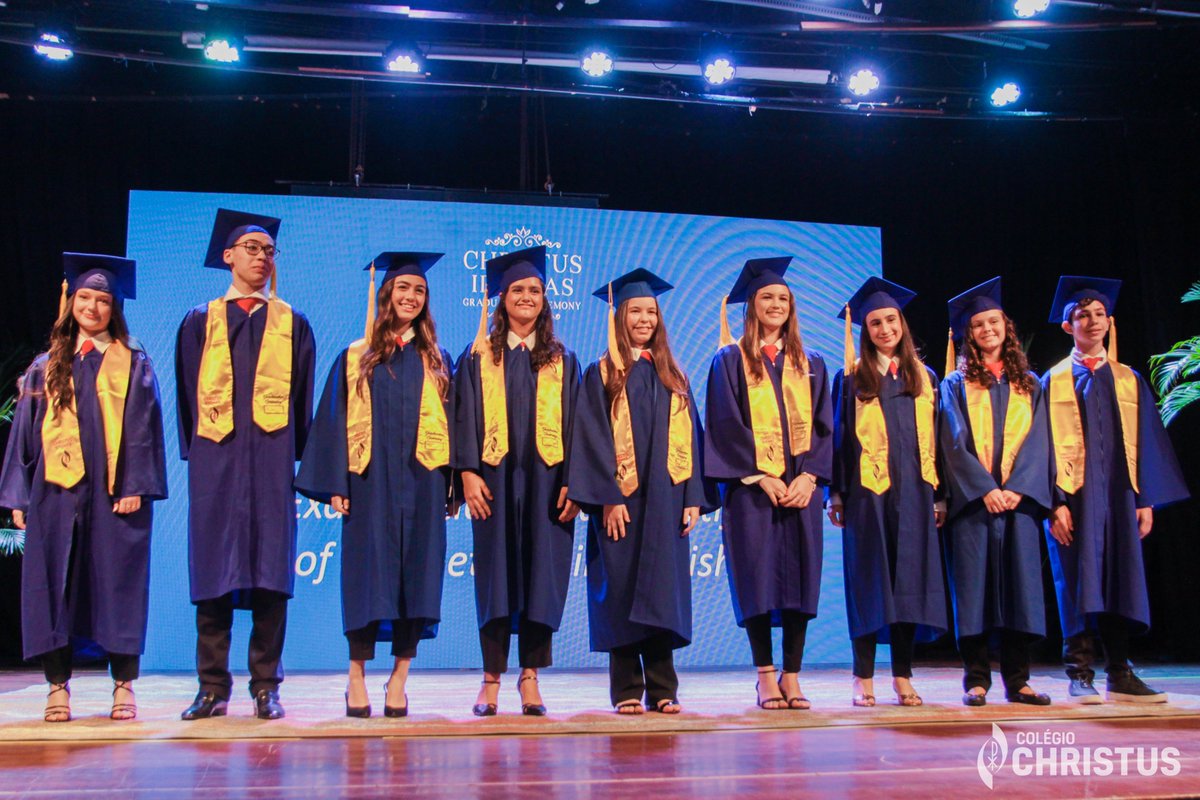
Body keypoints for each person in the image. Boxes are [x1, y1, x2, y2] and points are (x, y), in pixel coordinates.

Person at [0, 253, 166, 722]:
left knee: (119, 585)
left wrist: (135, 484)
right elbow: (24, 435)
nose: (92, 307)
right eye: (85, 297)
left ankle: (123, 686)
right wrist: (18, 496)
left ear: (115, 308)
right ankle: (57, 688)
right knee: (54, 586)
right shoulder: (45, 366)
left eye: (103, 300)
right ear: (71, 301)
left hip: (116, 495)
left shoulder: (133, 362)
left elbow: (144, 430)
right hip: (55, 493)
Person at [296, 252, 454, 718]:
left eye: (419, 291)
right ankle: (356, 676)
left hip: (424, 485)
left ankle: (400, 679)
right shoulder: (355, 356)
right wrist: (337, 482)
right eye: (403, 288)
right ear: (386, 294)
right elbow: (331, 421)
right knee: (367, 578)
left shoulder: (437, 360)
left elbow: (455, 424)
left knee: (418, 580)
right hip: (370, 485)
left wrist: (452, 488)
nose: (411, 297)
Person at [175, 209, 316, 720]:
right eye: (251, 249)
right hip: (217, 463)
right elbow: (188, 398)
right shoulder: (199, 320)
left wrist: (287, 457)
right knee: (213, 571)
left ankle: (265, 686)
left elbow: (301, 403)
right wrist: (205, 456)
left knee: (270, 574)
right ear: (227, 256)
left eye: (268, 251)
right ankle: (211, 687)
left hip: (271, 464)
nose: (261, 257)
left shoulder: (292, 322)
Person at [568, 269, 714, 714]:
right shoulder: (602, 374)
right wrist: (607, 498)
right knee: (622, 589)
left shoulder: (675, 375)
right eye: (636, 311)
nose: (645, 319)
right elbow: (589, 439)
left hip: (667, 502)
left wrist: (692, 497)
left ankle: (664, 687)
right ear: (620, 318)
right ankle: (627, 688)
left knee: (661, 590)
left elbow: (692, 440)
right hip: (622, 504)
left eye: (651, 312)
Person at [1042, 276, 1188, 703]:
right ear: (1067, 326)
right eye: (1081, 315)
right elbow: (1041, 449)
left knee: (1122, 578)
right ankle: (1080, 672)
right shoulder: (1051, 382)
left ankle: (1120, 672)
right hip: (1075, 500)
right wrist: (1054, 504)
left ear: (1109, 321)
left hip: (1122, 500)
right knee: (1077, 580)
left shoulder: (1129, 380)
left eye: (1098, 314)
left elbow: (1147, 444)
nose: (1091, 321)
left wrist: (1146, 502)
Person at [453, 245, 581, 716]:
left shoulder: (563, 361)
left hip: (550, 489)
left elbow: (578, 429)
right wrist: (466, 471)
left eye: (535, 290)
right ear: (501, 297)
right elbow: (460, 416)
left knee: (540, 579)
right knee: (495, 579)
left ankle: (530, 677)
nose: (527, 297)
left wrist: (575, 483)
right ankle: (490, 680)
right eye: (518, 290)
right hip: (493, 485)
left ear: (545, 300)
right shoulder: (477, 358)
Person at [704, 257, 833, 711]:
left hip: (801, 490)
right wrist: (759, 475)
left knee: (801, 579)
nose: (776, 304)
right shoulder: (729, 360)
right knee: (756, 578)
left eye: (782, 298)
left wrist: (811, 475)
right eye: (767, 298)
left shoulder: (811, 362)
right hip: (750, 492)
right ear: (752, 306)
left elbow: (824, 427)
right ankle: (764, 675)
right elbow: (722, 423)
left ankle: (793, 675)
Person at [828, 277, 947, 708]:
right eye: (875, 323)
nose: (884, 329)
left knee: (909, 584)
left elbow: (939, 441)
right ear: (865, 330)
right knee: (869, 580)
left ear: (902, 324)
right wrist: (836, 494)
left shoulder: (925, 378)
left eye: (891, 320)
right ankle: (863, 677)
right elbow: (838, 441)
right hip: (866, 497)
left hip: (916, 495)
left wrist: (939, 495)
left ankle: (902, 675)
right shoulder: (851, 379)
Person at [939, 277, 1052, 707]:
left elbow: (1040, 440)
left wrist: (1018, 489)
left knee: (1020, 591)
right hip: (974, 505)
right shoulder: (955, 383)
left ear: (1007, 327)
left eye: (994, 322)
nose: (988, 330)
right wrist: (985, 488)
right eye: (979, 325)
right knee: (974, 591)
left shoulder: (1030, 383)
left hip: (1018, 505)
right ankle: (976, 679)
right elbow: (952, 441)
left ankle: (1019, 680)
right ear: (969, 334)